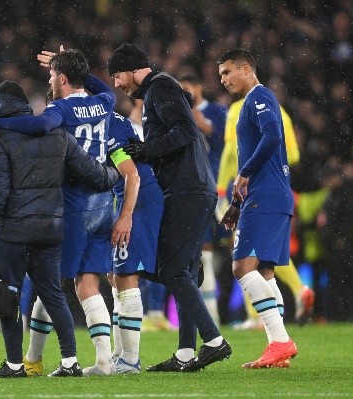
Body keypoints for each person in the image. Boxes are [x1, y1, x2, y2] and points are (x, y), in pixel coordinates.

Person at [0, 80, 119, 378]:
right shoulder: (58, 135)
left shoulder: (1, 138)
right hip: (51, 230)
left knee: (9, 296)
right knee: (53, 295)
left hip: (13, 232)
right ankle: (69, 362)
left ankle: (14, 365)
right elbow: (94, 174)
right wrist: (118, 171)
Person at [108, 42, 231, 372]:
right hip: (189, 188)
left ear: (133, 69)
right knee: (183, 272)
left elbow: (186, 130)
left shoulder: (160, 86)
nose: (117, 84)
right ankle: (186, 353)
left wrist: (147, 150)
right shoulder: (157, 90)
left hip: (188, 190)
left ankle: (215, 342)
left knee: (172, 270)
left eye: (118, 75)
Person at [217, 48, 298, 368]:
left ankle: (279, 340)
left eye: (227, 72)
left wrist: (246, 172)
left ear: (246, 68)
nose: (223, 79)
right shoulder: (253, 101)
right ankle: (277, 348)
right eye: (220, 74)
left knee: (242, 267)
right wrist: (237, 204)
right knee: (265, 271)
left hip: (266, 196)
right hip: (270, 196)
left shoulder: (259, 97)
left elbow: (273, 136)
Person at [217, 98, 315, 329]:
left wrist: (222, 185)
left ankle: (255, 316)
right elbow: (293, 156)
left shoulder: (239, 108)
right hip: (280, 187)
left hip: (248, 188)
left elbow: (232, 150)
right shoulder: (279, 110)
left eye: (227, 74)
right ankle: (299, 289)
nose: (225, 80)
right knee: (268, 252)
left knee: (244, 256)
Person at [107, 110, 165, 373]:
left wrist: (126, 215)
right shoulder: (113, 120)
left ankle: (130, 359)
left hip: (138, 199)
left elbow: (132, 175)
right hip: (136, 197)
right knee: (116, 276)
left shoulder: (108, 132)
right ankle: (119, 355)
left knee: (127, 276)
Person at [178, 73, 227, 325]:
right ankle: (212, 314)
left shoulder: (218, 111)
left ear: (199, 87)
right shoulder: (178, 114)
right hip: (199, 191)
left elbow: (227, 143)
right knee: (203, 249)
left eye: (188, 90)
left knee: (238, 249)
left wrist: (202, 122)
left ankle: (254, 313)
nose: (186, 95)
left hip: (223, 190)